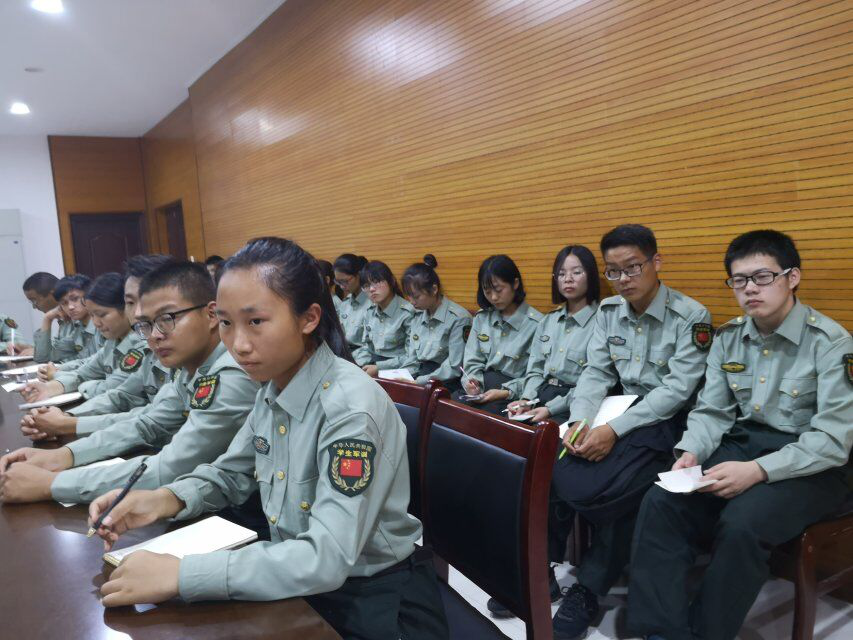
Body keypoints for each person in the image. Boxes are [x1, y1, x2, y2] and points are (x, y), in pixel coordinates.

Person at [82, 237, 449, 639]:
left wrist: (184, 574)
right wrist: (162, 499)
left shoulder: (349, 409)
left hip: (374, 601)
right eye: (226, 323)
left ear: (308, 318)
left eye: (255, 321)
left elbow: (325, 558)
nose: (238, 345)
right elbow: (232, 472)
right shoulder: (274, 387)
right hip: (300, 584)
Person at [627, 230, 853, 640]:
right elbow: (712, 411)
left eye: (762, 277)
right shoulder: (729, 337)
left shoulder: (831, 343)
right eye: (739, 280)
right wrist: (691, 451)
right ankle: (661, 631)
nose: (750, 288)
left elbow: (833, 440)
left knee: (743, 523)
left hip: (813, 463)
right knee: (662, 501)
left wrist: (758, 471)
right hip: (744, 443)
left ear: (792, 277)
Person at [547, 224, 712, 640]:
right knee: (551, 457)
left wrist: (614, 431)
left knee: (632, 492)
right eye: (613, 271)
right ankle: (545, 564)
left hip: (666, 422)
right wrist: (581, 420)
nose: (623, 279)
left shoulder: (691, 316)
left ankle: (588, 588)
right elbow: (596, 372)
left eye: (633, 267)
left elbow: (677, 391)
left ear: (656, 262)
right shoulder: (608, 312)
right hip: (616, 409)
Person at [0, 261, 260, 509]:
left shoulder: (230, 375)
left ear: (211, 314)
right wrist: (62, 456)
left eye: (167, 318)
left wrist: (52, 484)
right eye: (146, 324)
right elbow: (147, 423)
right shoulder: (190, 367)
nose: (154, 335)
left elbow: (169, 467)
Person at [20, 254, 175, 441]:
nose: (138, 313)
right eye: (131, 303)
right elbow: (118, 393)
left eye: (101, 314)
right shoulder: (116, 341)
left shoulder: (143, 344)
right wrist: (61, 410)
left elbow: (147, 415)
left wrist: (66, 422)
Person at [505, 245, 601, 427]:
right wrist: (526, 400)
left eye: (576, 272)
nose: (568, 279)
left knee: (542, 438)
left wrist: (551, 409)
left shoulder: (601, 321)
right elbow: (535, 369)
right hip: (541, 394)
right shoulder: (548, 321)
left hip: (574, 403)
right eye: (561, 274)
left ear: (591, 275)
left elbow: (594, 382)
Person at [19, 272, 146, 403]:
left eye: (101, 314)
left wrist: (58, 375)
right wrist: (49, 387)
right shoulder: (110, 339)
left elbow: (109, 387)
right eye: (92, 315)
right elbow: (84, 370)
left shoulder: (138, 342)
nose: (96, 323)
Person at [455, 254, 542, 416]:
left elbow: (537, 375)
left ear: (515, 283)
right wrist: (472, 383)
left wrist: (505, 392)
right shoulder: (482, 318)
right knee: (447, 409)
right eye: (487, 292)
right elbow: (472, 361)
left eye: (499, 290)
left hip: (510, 395)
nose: (494, 297)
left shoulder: (537, 324)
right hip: (481, 387)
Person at [401, 254, 471, 392]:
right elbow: (412, 358)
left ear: (434, 289)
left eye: (416, 296)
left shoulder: (458, 318)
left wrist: (418, 381)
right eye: (409, 296)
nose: (412, 302)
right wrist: (401, 376)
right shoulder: (417, 315)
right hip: (419, 376)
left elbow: (454, 367)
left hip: (444, 382)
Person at [353, 260, 416, 377]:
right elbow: (367, 348)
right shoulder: (369, 312)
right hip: (373, 366)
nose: (372, 289)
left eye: (376, 282)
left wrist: (379, 368)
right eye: (366, 286)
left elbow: (411, 357)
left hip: (399, 370)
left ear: (391, 281)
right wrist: (354, 363)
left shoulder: (407, 313)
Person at [32, 274, 100, 365]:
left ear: (89, 296)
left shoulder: (102, 325)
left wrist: (60, 368)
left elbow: (98, 364)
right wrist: (47, 318)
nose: (70, 307)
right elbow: (43, 357)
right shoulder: (78, 329)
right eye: (64, 303)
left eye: (75, 299)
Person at [333, 253, 370, 354]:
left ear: (359, 275)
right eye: (338, 282)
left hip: (361, 355)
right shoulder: (345, 303)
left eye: (345, 281)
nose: (342, 286)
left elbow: (371, 347)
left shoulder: (372, 304)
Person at [22, 271, 59, 359]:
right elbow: (60, 344)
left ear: (53, 294)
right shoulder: (63, 319)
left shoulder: (76, 315)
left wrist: (47, 319)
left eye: (34, 300)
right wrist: (33, 348)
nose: (34, 306)